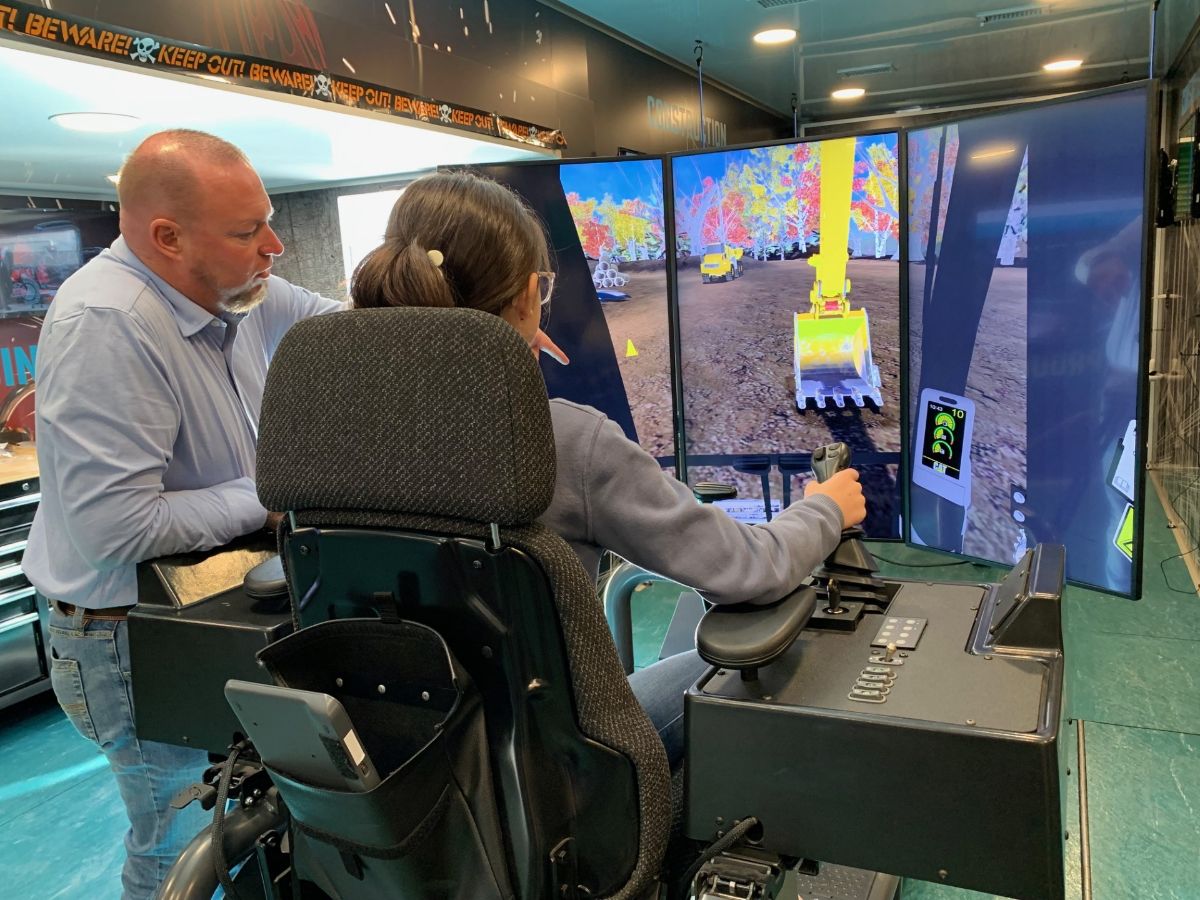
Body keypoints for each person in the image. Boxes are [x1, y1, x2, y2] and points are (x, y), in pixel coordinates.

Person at [349, 171, 866, 764]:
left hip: (398, 762)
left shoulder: (328, 432)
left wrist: (503, 352)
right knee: (776, 656)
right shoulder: (564, 439)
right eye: (539, 292)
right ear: (525, 295)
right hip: (557, 771)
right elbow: (748, 569)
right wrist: (825, 508)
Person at [20, 129, 347, 900]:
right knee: (182, 841)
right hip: (121, 634)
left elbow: (353, 324)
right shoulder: (109, 322)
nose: (274, 246)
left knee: (245, 824)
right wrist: (276, 492)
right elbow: (118, 526)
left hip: (197, 605)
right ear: (165, 238)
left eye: (268, 221)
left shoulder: (237, 292)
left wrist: (475, 325)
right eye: (247, 232)